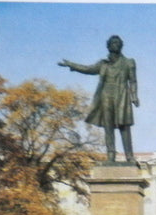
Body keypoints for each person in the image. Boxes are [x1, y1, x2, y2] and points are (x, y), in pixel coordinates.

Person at [59, 35, 139, 163]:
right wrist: (71, 64)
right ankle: (111, 155)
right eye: (113, 43)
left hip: (122, 96)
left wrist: (134, 96)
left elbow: (133, 81)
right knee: (108, 127)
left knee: (124, 126)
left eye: (118, 43)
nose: (116, 44)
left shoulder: (129, 62)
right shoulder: (103, 64)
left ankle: (129, 156)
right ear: (108, 46)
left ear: (121, 46)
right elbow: (88, 69)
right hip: (106, 96)